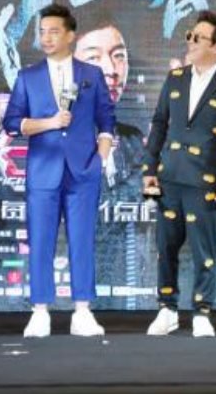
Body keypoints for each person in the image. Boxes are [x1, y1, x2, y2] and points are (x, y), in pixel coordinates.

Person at [2, 4, 115, 337]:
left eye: (54, 31)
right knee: (40, 241)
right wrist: (49, 123)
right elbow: (11, 123)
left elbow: (107, 120)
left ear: (70, 35)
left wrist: (100, 159)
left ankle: (83, 311)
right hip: (43, 170)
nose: (47, 38)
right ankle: (40, 311)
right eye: (42, 32)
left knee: (82, 240)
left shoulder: (91, 74)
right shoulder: (28, 76)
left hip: (83, 171)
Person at [142, 10, 216, 337]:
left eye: (198, 37)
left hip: (204, 182)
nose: (189, 41)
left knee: (204, 251)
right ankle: (167, 308)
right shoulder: (175, 78)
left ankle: (202, 311)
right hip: (169, 176)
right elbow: (159, 124)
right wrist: (149, 168)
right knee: (166, 247)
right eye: (190, 35)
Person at [74, 22, 150, 309]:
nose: (110, 69)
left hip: (125, 289)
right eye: (94, 57)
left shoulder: (134, 140)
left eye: (118, 56)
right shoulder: (51, 134)